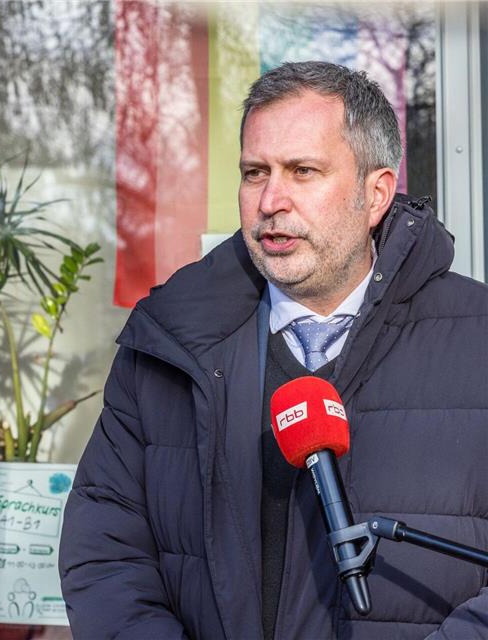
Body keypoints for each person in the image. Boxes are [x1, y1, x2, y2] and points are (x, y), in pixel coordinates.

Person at [60, 61, 488, 639]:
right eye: (254, 172)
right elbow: (105, 554)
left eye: (303, 171)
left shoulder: (477, 339)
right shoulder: (166, 342)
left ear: (376, 194)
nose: (270, 200)